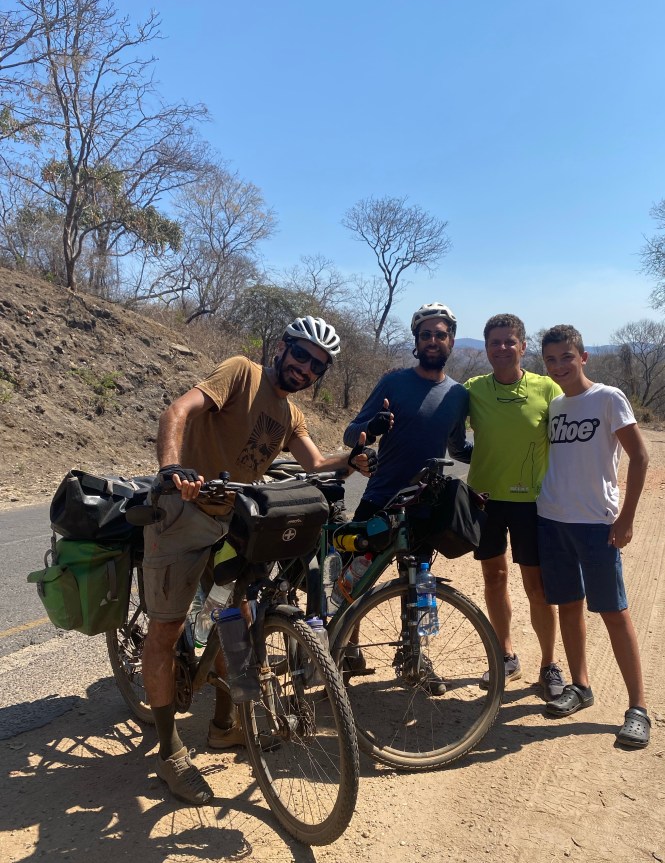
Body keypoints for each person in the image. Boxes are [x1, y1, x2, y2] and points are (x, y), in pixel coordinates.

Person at [142, 316, 375, 805]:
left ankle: (225, 726)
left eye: (318, 366)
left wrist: (351, 458)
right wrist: (171, 469)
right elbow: (177, 411)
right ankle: (168, 753)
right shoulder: (241, 372)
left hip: (231, 520)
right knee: (165, 632)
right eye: (302, 355)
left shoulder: (290, 416)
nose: (306, 368)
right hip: (182, 512)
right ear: (283, 348)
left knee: (239, 615)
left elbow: (313, 463)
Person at [342, 302, 469, 695]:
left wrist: (496, 456)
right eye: (426, 334)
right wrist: (371, 428)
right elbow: (352, 435)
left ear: (450, 341)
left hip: (424, 504)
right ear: (416, 341)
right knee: (351, 581)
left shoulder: (458, 395)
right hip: (380, 498)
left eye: (440, 334)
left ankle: (413, 656)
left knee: (419, 584)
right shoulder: (393, 383)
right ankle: (348, 650)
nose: (433, 340)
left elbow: (457, 446)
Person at [537, 324, 651, 748]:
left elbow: (639, 456)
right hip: (552, 520)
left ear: (583, 357)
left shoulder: (607, 397)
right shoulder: (554, 406)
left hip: (595, 524)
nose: (559, 366)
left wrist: (626, 518)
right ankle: (581, 686)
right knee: (569, 606)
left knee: (614, 612)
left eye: (567, 356)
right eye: (551, 359)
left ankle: (638, 708)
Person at [462, 314, 565, 699]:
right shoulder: (472, 390)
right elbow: (450, 432)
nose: (502, 349)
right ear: (486, 349)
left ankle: (549, 664)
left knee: (536, 587)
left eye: (510, 342)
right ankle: (505, 655)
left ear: (523, 347)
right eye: (495, 343)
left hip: (533, 503)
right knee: (494, 579)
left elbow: (569, 441)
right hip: (485, 500)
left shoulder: (547, 389)